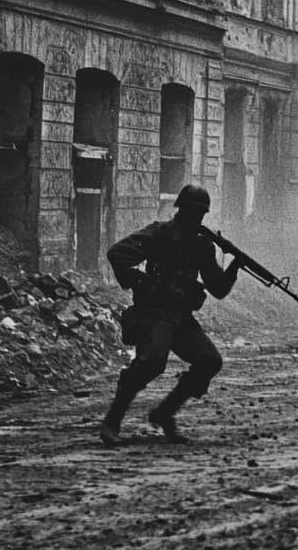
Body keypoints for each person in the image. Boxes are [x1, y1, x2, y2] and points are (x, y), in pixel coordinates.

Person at [99, 185, 242, 446]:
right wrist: (143, 283)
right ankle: (112, 422)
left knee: (209, 360)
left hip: (180, 316)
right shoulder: (160, 233)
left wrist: (234, 266)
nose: (196, 218)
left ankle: (164, 414)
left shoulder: (202, 245)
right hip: (154, 312)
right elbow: (117, 254)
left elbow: (218, 289)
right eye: (192, 212)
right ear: (181, 210)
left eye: (201, 214)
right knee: (151, 362)